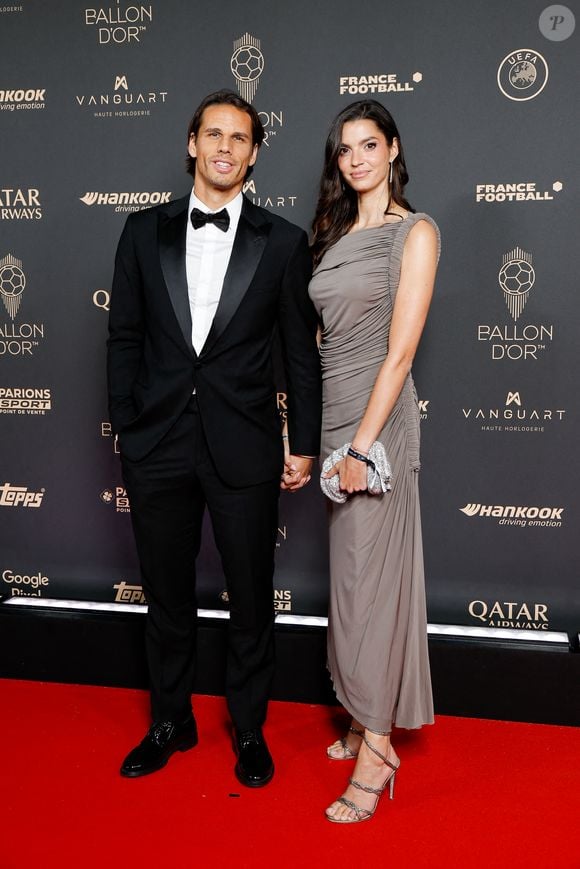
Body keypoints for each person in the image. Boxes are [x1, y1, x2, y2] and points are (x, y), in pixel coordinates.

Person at [107, 89, 321, 787]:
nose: (226, 146)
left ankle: (250, 727)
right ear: (192, 144)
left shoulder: (285, 242)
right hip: (158, 443)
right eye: (214, 134)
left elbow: (299, 351)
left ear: (255, 153)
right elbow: (125, 335)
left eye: (240, 137)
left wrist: (304, 443)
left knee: (251, 595)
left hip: (245, 444)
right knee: (165, 595)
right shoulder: (142, 231)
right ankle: (171, 719)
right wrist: (128, 421)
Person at [308, 99, 439, 823]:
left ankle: (378, 745)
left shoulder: (412, 232)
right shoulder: (333, 233)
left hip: (377, 423)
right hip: (334, 416)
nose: (356, 159)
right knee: (352, 582)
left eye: (369, 145)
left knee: (377, 584)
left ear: (392, 149)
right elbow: (324, 339)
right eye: (345, 149)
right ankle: (360, 712)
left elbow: (400, 350)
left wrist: (363, 444)